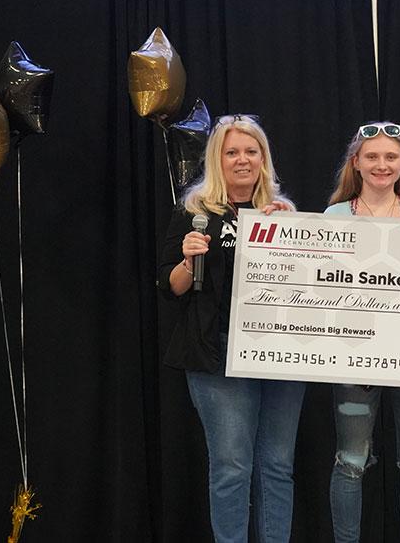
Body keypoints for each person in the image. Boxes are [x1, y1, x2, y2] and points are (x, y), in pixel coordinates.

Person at [158, 115, 305, 543]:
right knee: (231, 467)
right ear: (217, 159)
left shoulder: (285, 213)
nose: (242, 160)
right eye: (232, 152)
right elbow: (170, 288)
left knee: (278, 465)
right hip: (215, 352)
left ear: (264, 159)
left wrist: (293, 233)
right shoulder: (194, 213)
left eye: (251, 151)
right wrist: (187, 262)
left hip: (279, 355)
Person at [323, 122, 400, 543]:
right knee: (351, 462)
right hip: (354, 360)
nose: (381, 164)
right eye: (371, 156)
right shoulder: (334, 217)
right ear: (356, 162)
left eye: (391, 157)